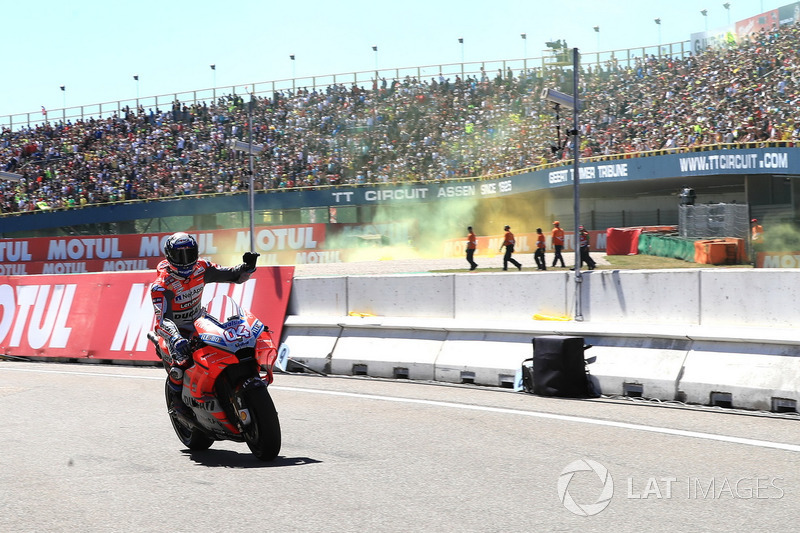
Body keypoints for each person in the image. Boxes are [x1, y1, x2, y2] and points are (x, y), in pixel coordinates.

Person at [150, 232, 260, 417]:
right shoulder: (161, 285)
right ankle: (177, 404)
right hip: (174, 331)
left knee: (228, 342)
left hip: (199, 322)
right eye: (179, 255)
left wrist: (247, 268)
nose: (185, 261)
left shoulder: (202, 268)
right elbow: (161, 321)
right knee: (181, 362)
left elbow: (233, 275)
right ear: (170, 257)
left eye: (189, 254)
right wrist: (176, 339)